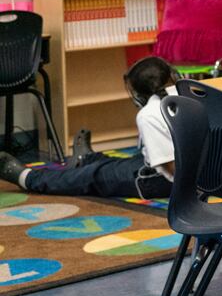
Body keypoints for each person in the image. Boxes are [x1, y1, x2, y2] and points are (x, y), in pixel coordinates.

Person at [0, 56, 177, 199]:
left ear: (139, 95)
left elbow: (171, 168)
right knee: (120, 164)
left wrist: (189, 191)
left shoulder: (149, 114)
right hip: (180, 173)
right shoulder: (191, 95)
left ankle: (29, 178)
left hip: (161, 181)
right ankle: (88, 158)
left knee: (92, 176)